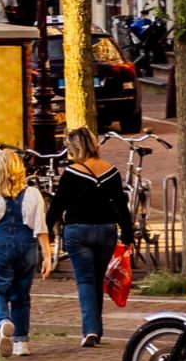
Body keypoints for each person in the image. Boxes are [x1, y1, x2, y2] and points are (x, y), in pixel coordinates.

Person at [51, 127, 129, 347]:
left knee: (85, 280)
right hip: (106, 231)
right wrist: (128, 234)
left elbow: (57, 205)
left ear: (75, 148)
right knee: (97, 279)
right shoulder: (111, 171)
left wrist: (45, 230)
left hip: (78, 232)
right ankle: (96, 329)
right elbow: (121, 205)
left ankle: (91, 330)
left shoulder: (71, 173)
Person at [0, 148, 54, 356]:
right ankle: (21, 342)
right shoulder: (33, 194)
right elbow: (41, 227)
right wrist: (47, 255)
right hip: (26, 245)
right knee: (21, 293)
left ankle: (2, 322)